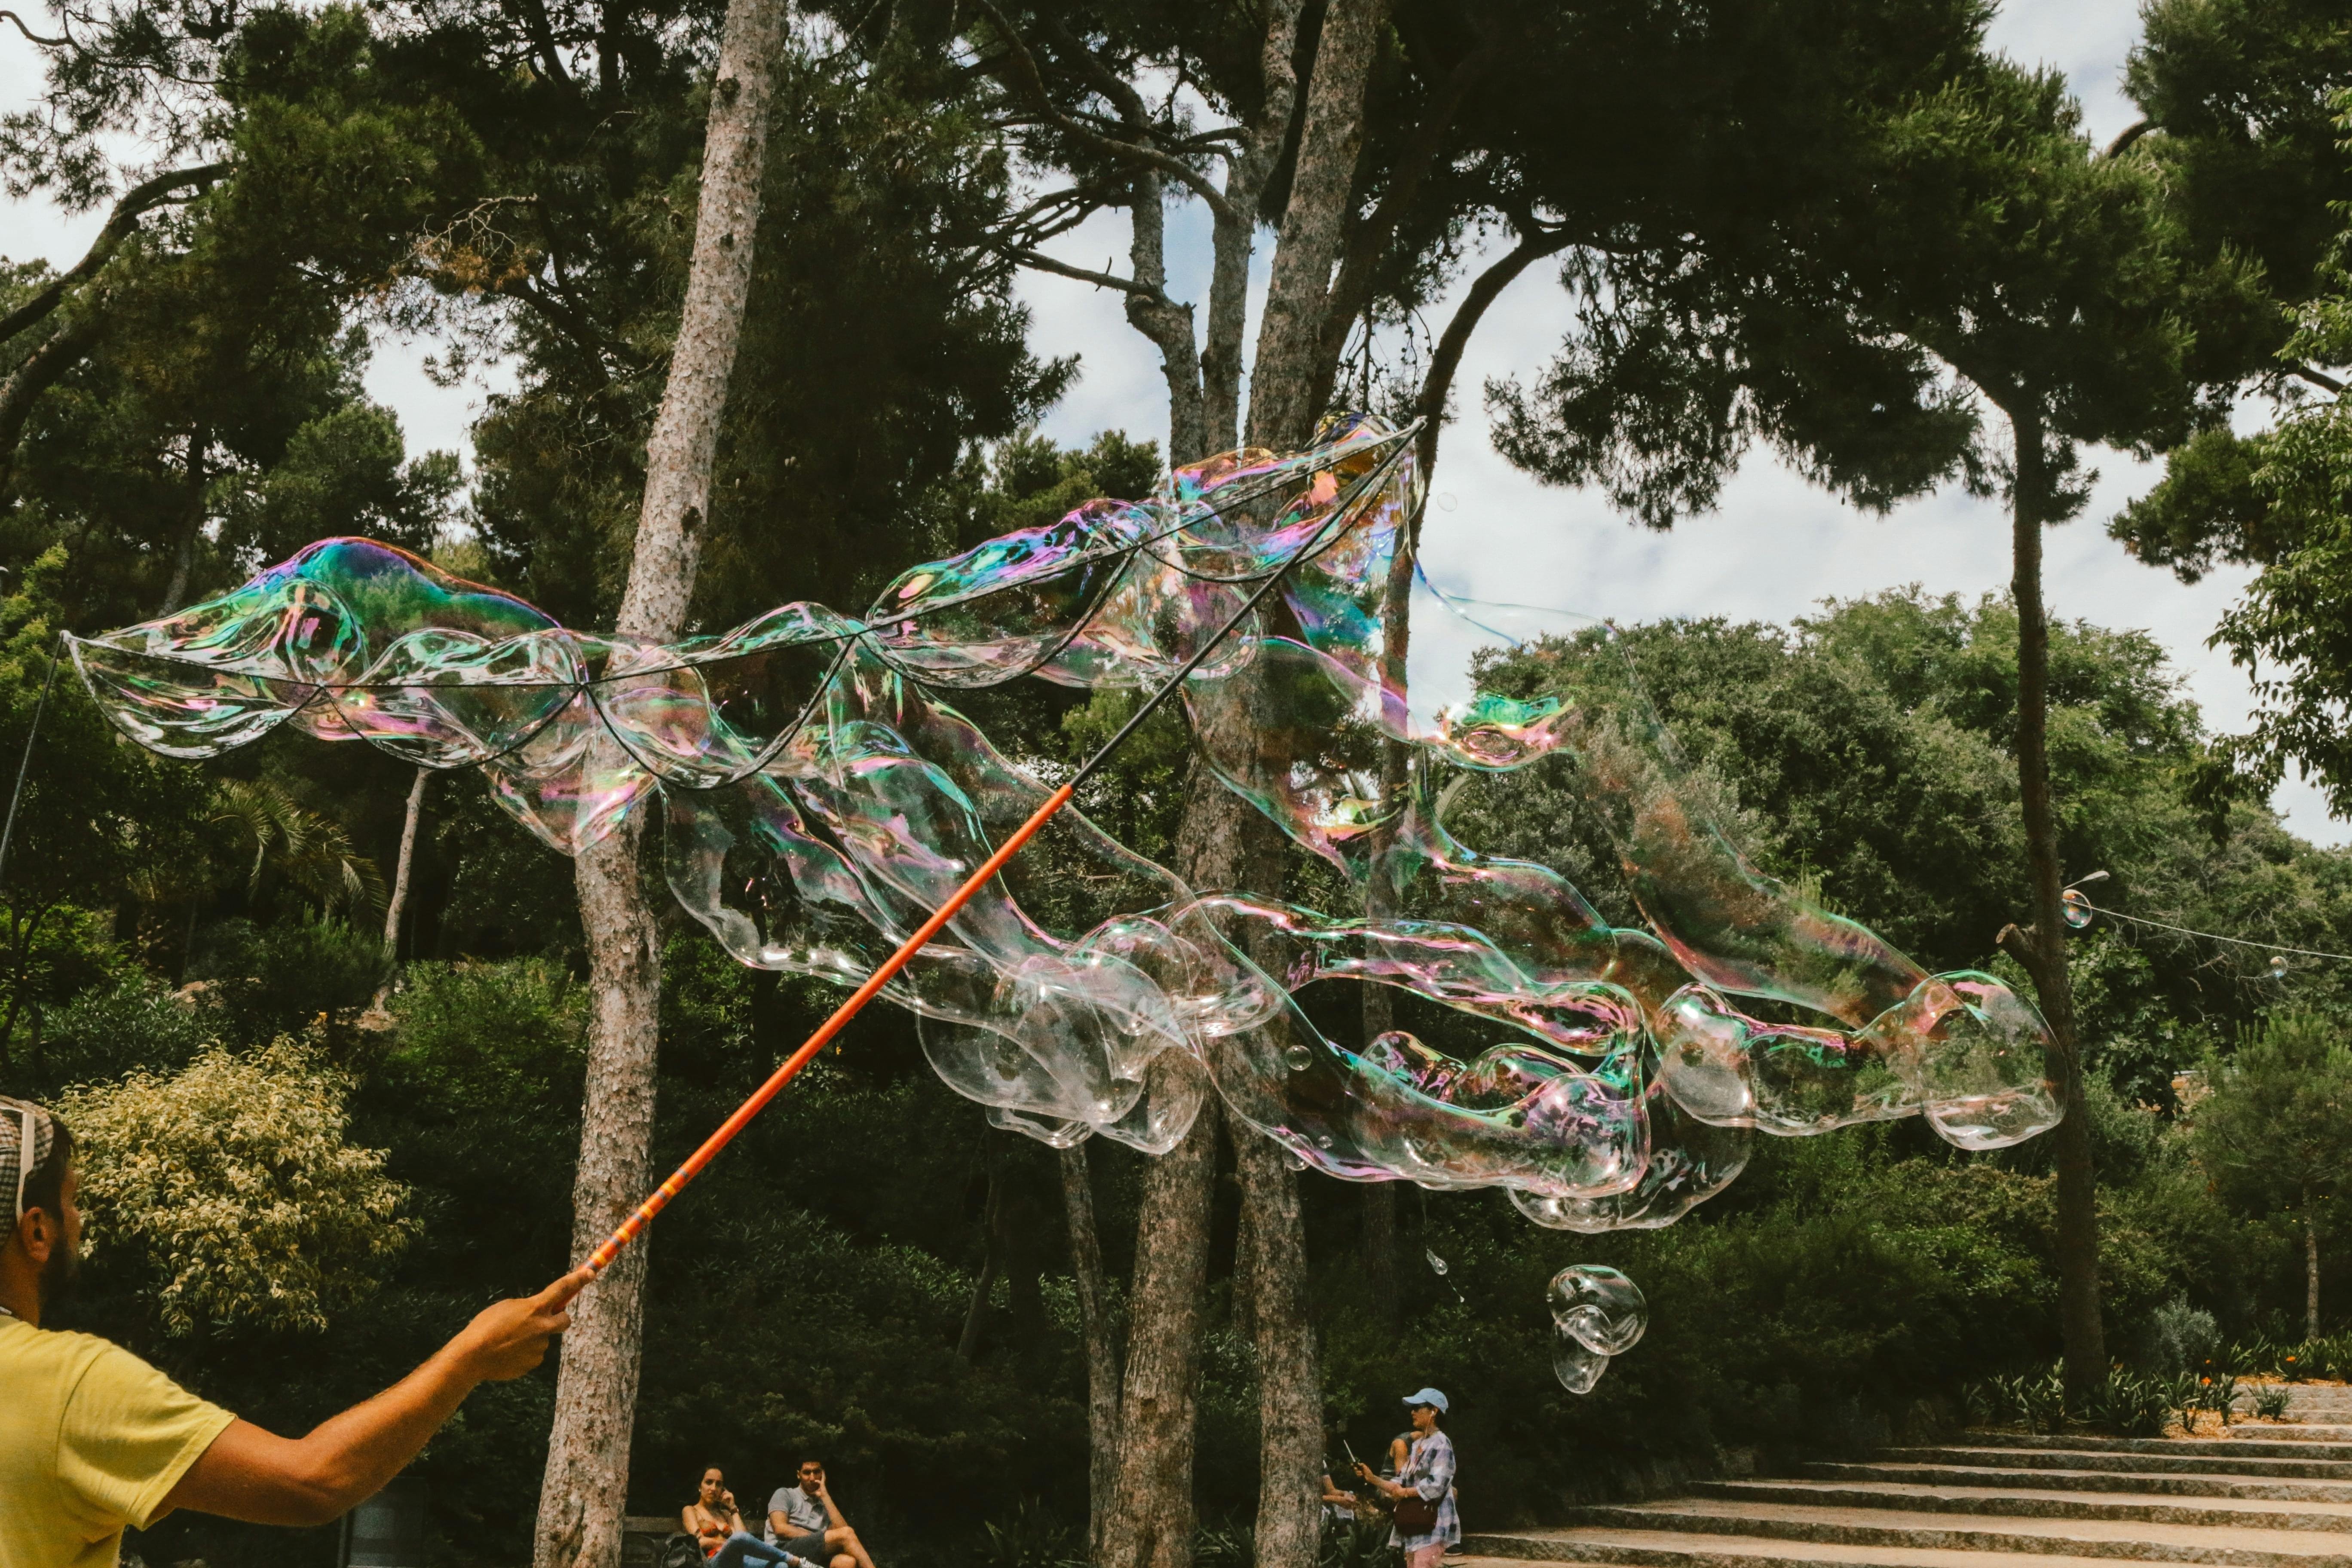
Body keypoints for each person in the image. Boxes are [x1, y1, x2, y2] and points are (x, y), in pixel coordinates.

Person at [0, 1096, 587, 1568]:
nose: (79, 1218)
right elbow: (312, 1483)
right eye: (72, 1202)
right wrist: (472, 1356)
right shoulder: (69, 1384)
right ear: (37, 1232)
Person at [1354, 1387, 1458, 1568]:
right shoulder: (1418, 1444)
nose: (1413, 1412)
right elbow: (1401, 1482)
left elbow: (1437, 1485)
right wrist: (1372, 1478)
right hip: (1415, 1525)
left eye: (1418, 1407)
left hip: (1433, 1522)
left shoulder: (1442, 1443)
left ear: (1434, 1411)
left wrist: (1405, 1493)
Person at [686, 1467, 805, 1568]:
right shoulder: (691, 1510)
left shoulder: (726, 1514)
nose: (713, 1488)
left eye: (719, 1484)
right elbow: (699, 1542)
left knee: (780, 1566)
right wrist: (732, 1544)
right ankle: (793, 1559)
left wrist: (733, 1508)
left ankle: (788, 1560)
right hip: (712, 1562)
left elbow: (744, 1537)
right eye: (709, 1482)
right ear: (699, 1486)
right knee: (738, 1539)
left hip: (740, 1561)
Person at [767, 1458, 876, 1568]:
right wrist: (820, 1538)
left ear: (823, 1474)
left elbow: (843, 1531)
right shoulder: (785, 1494)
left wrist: (825, 1496)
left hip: (814, 1553)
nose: (813, 1478)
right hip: (783, 1549)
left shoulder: (825, 1504)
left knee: (846, 1561)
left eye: (817, 1472)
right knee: (846, 1534)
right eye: (807, 1473)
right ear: (798, 1475)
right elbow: (780, 1529)